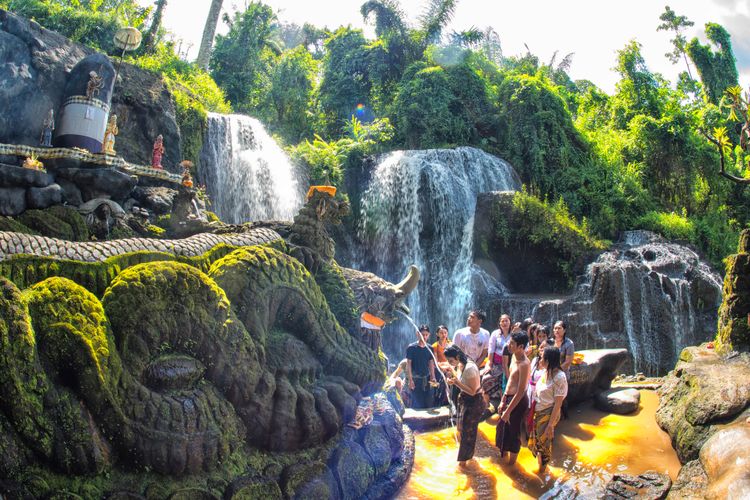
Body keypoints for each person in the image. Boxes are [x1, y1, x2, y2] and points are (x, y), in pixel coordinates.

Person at [444, 344, 485, 466]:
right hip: (464, 400)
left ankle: (463, 464)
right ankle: (467, 456)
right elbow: (461, 380)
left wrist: (456, 383)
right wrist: (452, 377)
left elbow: (473, 391)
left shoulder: (470, 368)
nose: (450, 363)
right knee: (461, 429)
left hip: (474, 403)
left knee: (468, 434)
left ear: (457, 356)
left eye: (451, 360)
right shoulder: (461, 364)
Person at [528, 346, 568, 473]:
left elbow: (558, 403)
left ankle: (542, 474)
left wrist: (550, 425)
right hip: (538, 411)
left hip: (547, 414)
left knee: (544, 445)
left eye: (542, 358)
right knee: (538, 443)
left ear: (549, 360)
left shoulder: (559, 377)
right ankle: (541, 469)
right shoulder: (546, 372)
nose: (539, 361)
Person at [496, 332, 530, 465]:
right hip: (508, 397)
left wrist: (508, 411)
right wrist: (503, 399)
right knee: (502, 430)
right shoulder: (514, 357)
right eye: (509, 342)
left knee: (513, 433)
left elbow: (521, 391)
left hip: (518, 401)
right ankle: (503, 460)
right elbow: (510, 380)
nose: (508, 345)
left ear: (521, 346)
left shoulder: (524, 364)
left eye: (512, 344)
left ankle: (512, 466)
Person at [482, 314, 512, 411]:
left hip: (509, 364)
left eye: (506, 320)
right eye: (502, 321)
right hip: (496, 365)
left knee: (508, 383)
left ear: (510, 322)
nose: (504, 323)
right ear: (499, 323)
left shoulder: (514, 335)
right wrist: (489, 364)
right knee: (485, 379)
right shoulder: (495, 334)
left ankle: (505, 405)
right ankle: (486, 405)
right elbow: (491, 349)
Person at [406, 325, 437, 409]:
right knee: (416, 402)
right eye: (422, 334)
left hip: (426, 378)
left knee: (427, 402)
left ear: (429, 335)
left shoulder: (430, 348)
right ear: (417, 334)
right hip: (415, 379)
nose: (424, 336)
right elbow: (408, 364)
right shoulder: (411, 347)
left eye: (426, 334)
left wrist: (433, 376)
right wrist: (410, 380)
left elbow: (431, 363)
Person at [553, 320, 575, 418]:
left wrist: (556, 371)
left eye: (559, 328)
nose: (556, 330)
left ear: (564, 330)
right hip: (550, 373)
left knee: (562, 397)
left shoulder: (569, 343)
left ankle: (565, 416)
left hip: (563, 373)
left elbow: (568, 362)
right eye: (555, 328)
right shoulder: (550, 341)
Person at [432, 325, 452, 405]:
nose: (443, 335)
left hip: (450, 367)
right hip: (439, 368)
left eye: (445, 333)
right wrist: (443, 368)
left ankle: (450, 399)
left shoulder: (451, 344)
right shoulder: (434, 346)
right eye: (441, 333)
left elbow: (453, 359)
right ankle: (440, 400)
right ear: (437, 334)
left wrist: (449, 367)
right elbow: (435, 361)